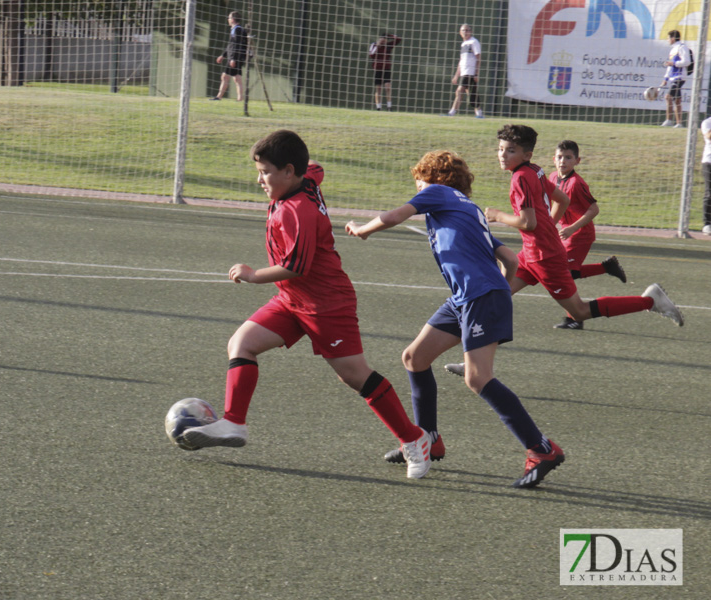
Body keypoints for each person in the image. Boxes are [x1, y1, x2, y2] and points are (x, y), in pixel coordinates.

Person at [180, 130, 435, 480]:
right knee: (242, 344)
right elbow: (316, 167)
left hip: (326, 303)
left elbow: (296, 266)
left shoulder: (297, 211)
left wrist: (253, 275)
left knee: (354, 375)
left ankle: (414, 438)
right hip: (292, 299)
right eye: (258, 171)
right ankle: (233, 424)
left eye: (265, 172)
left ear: (288, 171)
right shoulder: (305, 179)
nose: (260, 180)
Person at [345, 151, 564, 488]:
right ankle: (429, 439)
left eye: (419, 179)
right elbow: (510, 259)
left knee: (477, 378)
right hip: (467, 297)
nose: (417, 187)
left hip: (478, 296)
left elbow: (394, 216)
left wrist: (363, 230)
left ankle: (541, 448)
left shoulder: (437, 192)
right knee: (414, 358)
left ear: (432, 177)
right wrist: (498, 290)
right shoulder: (467, 207)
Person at [442, 125, 684, 374]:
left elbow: (528, 222)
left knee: (578, 311)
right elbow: (562, 201)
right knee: (494, 299)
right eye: (500, 149)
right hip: (532, 254)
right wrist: (548, 228)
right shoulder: (534, 171)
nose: (502, 155)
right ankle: (473, 362)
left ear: (526, 154)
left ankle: (649, 300)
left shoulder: (521, 177)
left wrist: (498, 216)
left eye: (510, 150)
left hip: (544, 258)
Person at [549, 140, 629, 329]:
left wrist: (571, 228)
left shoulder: (576, 183)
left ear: (577, 161)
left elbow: (593, 210)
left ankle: (575, 318)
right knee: (566, 272)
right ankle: (607, 267)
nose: (563, 161)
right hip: (566, 233)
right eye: (560, 157)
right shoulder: (552, 177)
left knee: (565, 274)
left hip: (580, 234)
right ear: (554, 159)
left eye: (568, 158)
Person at [446, 24, 483, 118]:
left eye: (467, 30)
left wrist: (476, 73)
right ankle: (479, 113)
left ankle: (452, 112)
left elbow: (478, 58)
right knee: (470, 93)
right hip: (464, 72)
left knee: (459, 91)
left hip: (470, 72)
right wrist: (456, 75)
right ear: (460, 32)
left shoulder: (474, 42)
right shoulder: (463, 44)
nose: (465, 32)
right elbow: (461, 61)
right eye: (463, 30)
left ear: (471, 31)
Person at [211, 11, 248, 102]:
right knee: (235, 77)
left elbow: (237, 45)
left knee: (228, 77)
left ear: (233, 19)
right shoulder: (235, 29)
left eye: (229, 17)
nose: (228, 19)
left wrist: (233, 59)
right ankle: (238, 98)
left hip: (235, 58)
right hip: (235, 57)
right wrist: (223, 56)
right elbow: (231, 45)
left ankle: (220, 97)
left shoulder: (238, 29)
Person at [660, 30, 691, 127]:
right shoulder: (672, 50)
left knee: (668, 97)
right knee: (677, 100)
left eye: (668, 38)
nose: (667, 40)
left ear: (673, 38)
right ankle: (679, 123)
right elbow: (670, 66)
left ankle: (669, 120)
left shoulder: (682, 47)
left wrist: (674, 63)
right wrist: (666, 78)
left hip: (680, 77)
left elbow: (687, 62)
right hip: (673, 77)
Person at [369, 32, 402, 111]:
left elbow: (398, 39)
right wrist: (378, 45)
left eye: (385, 39)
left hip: (386, 68)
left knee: (387, 87)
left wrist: (389, 35)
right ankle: (378, 107)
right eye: (382, 39)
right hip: (377, 69)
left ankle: (389, 106)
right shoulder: (374, 45)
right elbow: (371, 55)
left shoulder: (388, 46)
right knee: (379, 88)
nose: (384, 41)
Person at [700, 116, 711, 235]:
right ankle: (707, 223)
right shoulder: (707, 123)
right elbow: (709, 136)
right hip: (709, 161)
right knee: (709, 192)